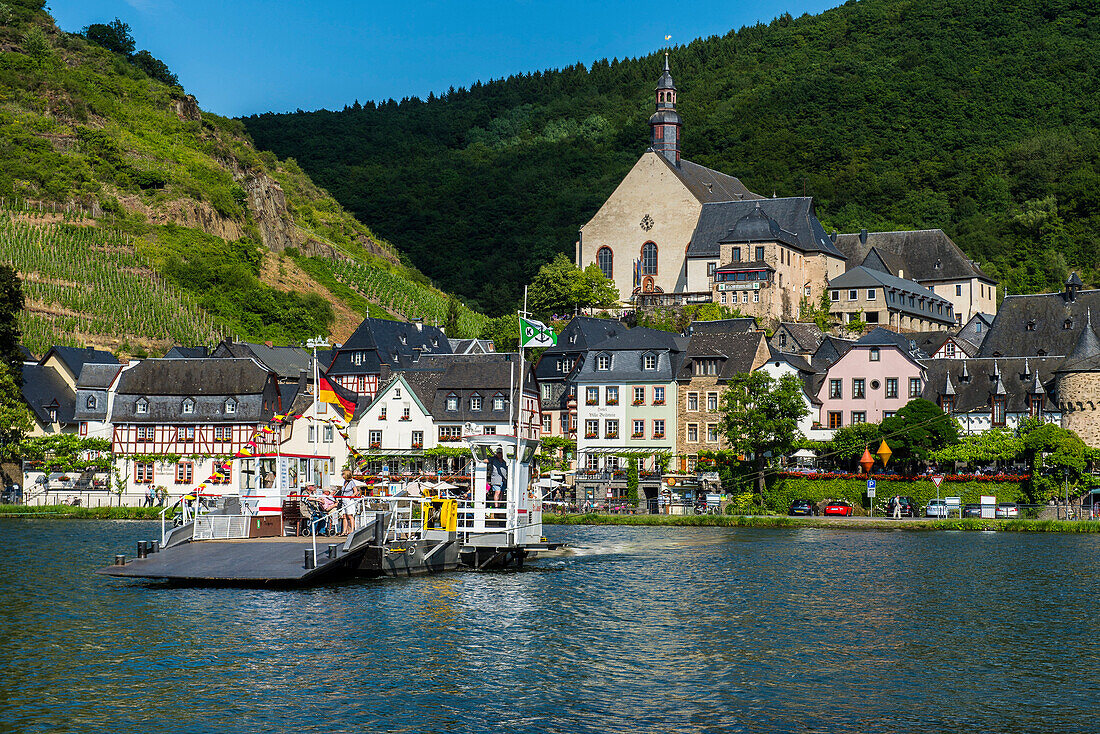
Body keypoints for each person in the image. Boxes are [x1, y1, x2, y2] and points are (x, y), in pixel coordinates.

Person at [336, 468, 358, 535]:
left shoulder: (351, 482)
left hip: (349, 500)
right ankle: (344, 531)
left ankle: (352, 530)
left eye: (343, 474)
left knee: (350, 515)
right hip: (344, 500)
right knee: (344, 516)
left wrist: (351, 496)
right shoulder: (344, 482)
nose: (342, 475)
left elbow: (355, 491)